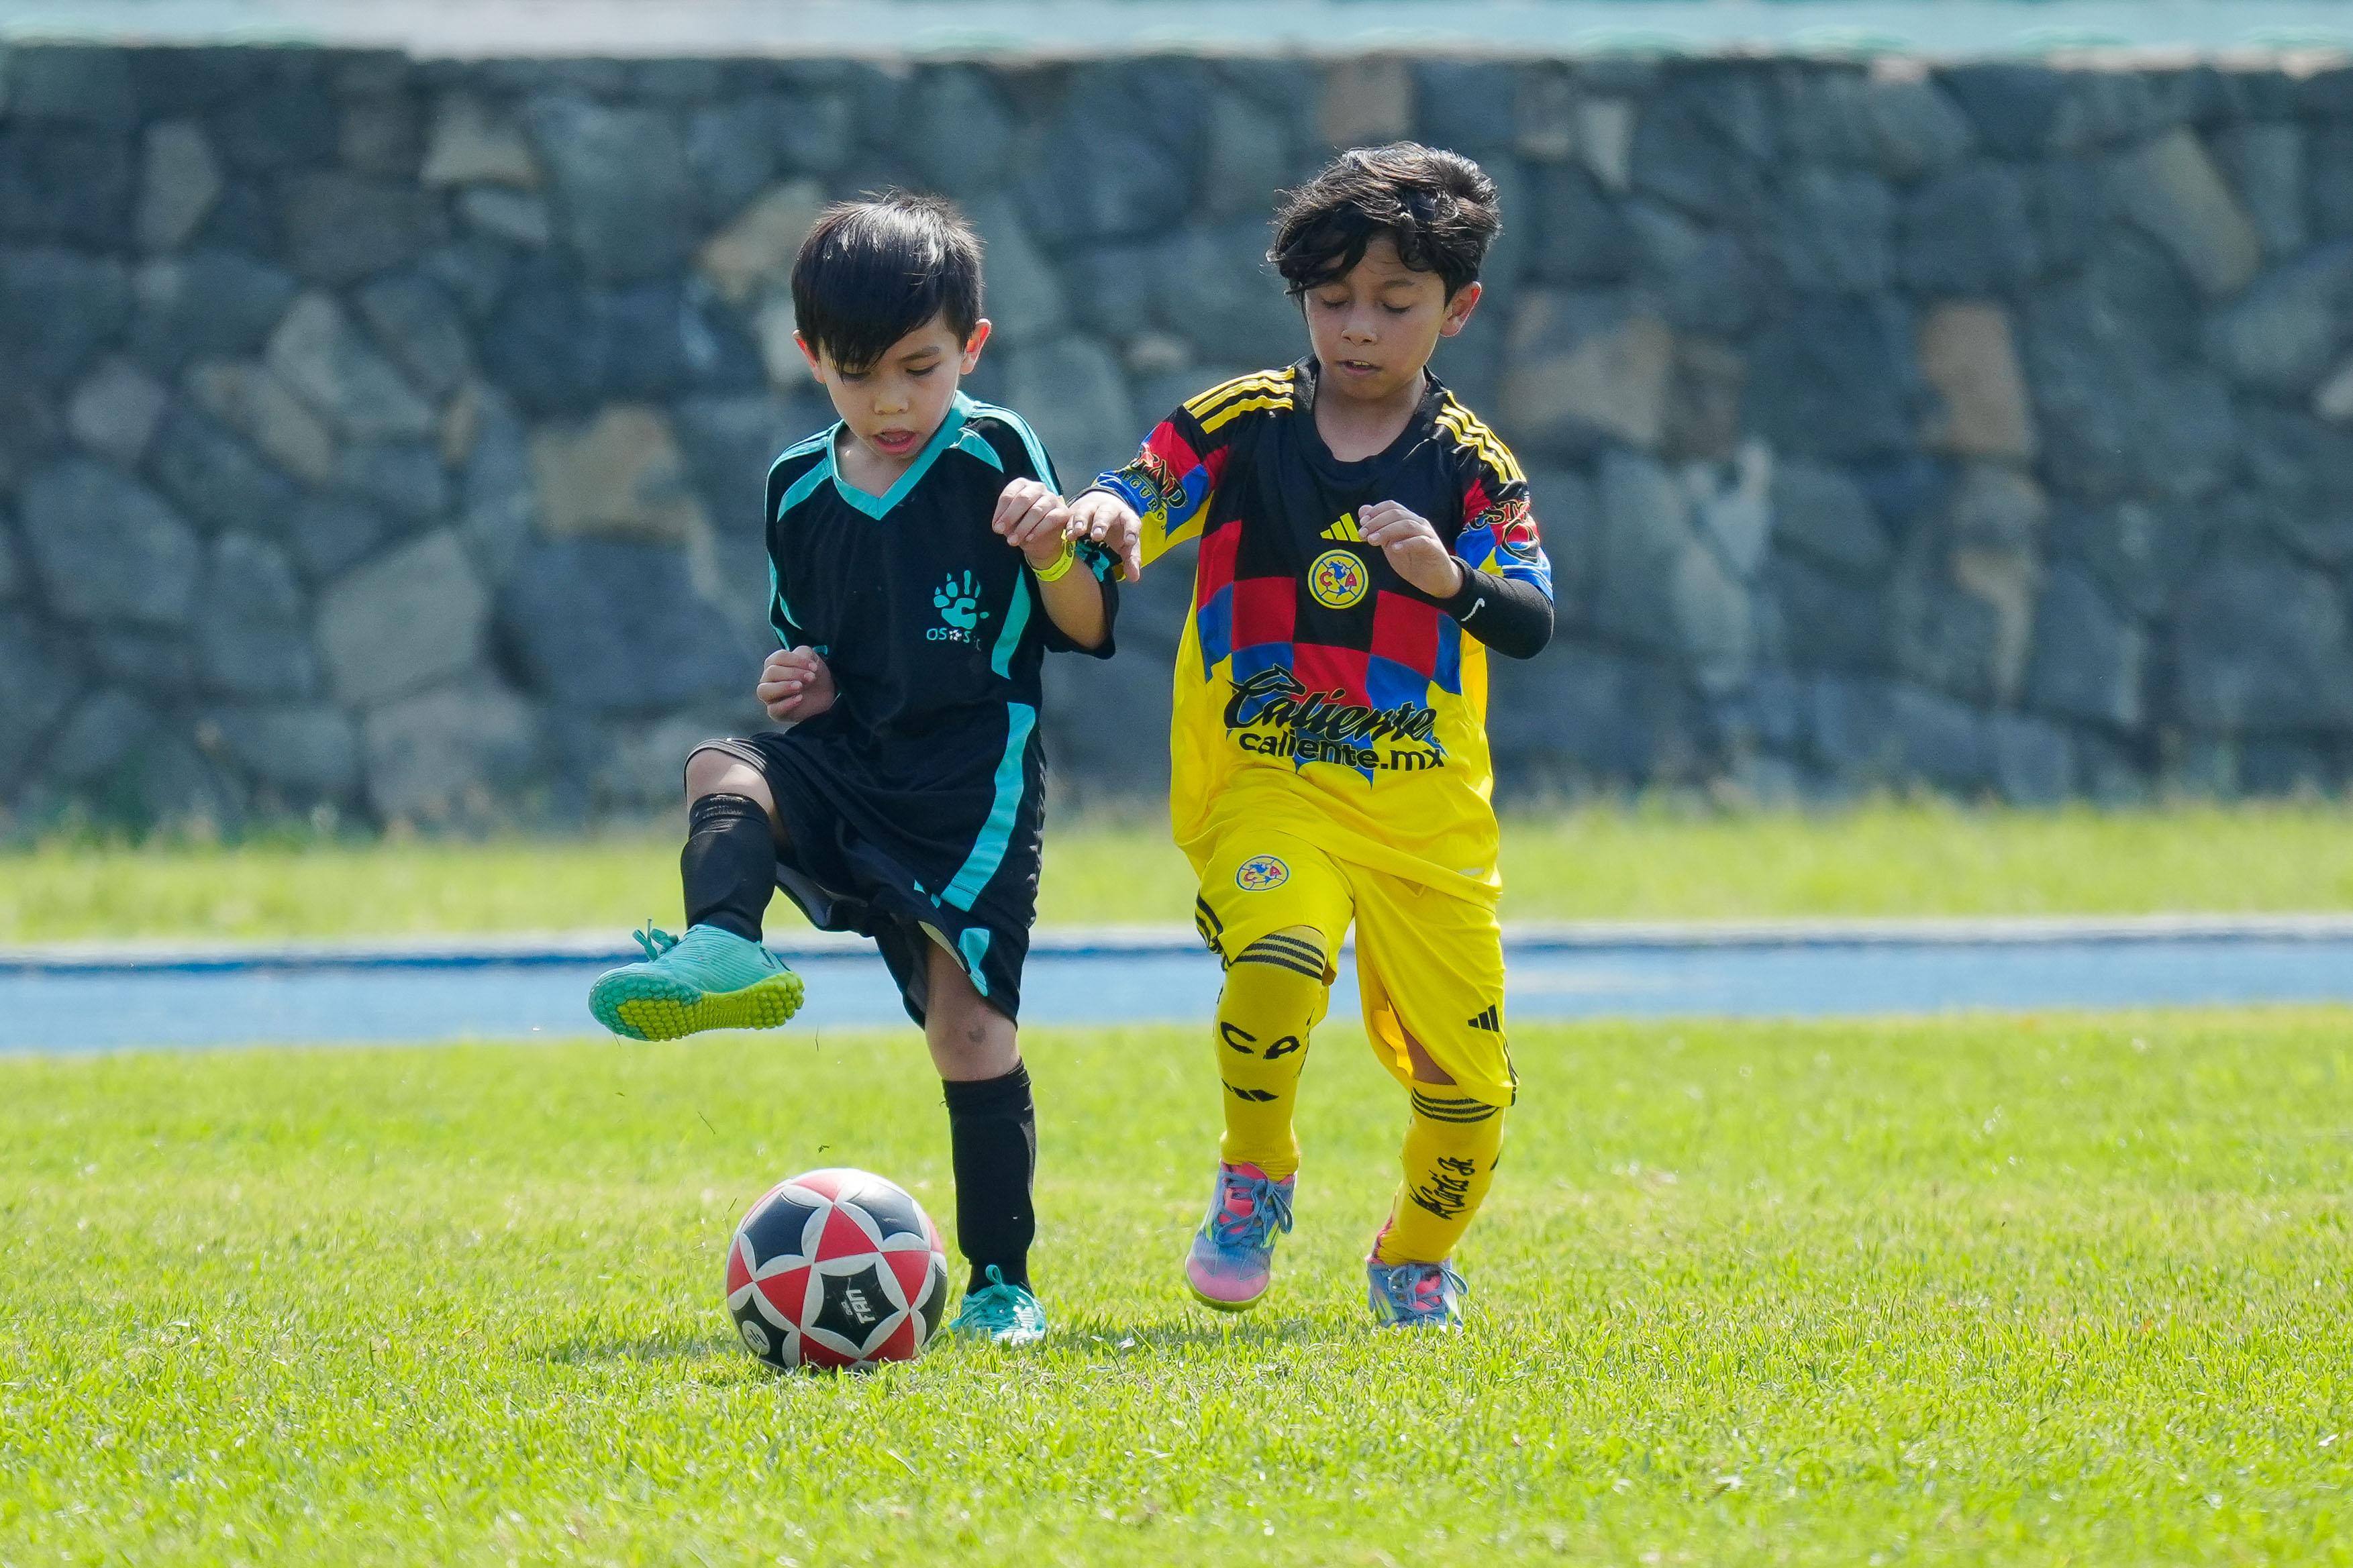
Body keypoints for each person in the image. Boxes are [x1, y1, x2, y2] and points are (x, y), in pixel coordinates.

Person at [587, 193, 1119, 1347]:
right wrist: (801, 683)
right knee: (723, 764)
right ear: (808, 361)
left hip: (966, 785)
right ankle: (721, 946)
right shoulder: (794, 487)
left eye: (920, 369)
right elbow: (811, 652)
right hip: (850, 758)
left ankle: (999, 1283)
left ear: (969, 349)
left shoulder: (995, 451)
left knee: (966, 1028)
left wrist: (1052, 546)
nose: (890, 401)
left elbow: (1078, 625)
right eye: (856, 372)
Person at [1066, 144, 1553, 1330]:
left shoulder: (1472, 469)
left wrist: (1446, 581)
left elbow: (1531, 620)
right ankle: (1255, 1172)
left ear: (1457, 308)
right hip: (1265, 784)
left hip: (1425, 822)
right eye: (1332, 301)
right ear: (1300, 300)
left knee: (1469, 1100)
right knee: (1279, 962)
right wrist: (1107, 514)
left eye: (1395, 304)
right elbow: (1143, 481)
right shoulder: (1243, 424)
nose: (1360, 329)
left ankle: (1414, 1256)